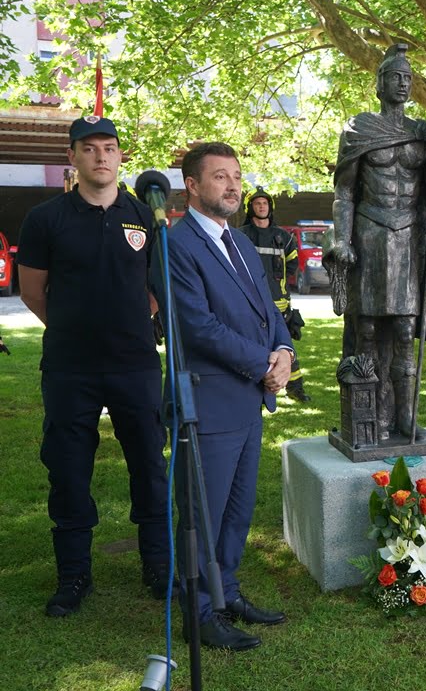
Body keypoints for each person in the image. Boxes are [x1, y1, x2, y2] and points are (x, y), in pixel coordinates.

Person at [17, 116, 172, 616]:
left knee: (150, 465)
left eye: (109, 148)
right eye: (89, 148)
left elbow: (157, 287)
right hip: (69, 368)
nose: (100, 156)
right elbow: (33, 290)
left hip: (135, 365)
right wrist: (72, 326)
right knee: (67, 469)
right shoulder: (45, 218)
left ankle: (158, 566)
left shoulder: (145, 217)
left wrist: (129, 319)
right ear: (73, 158)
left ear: (121, 156)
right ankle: (73, 575)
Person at [160, 142, 292, 651]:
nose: (234, 185)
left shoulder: (238, 241)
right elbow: (198, 327)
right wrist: (263, 364)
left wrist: (282, 349)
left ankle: (227, 591)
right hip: (206, 404)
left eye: (236, 175)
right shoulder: (176, 244)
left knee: (237, 509)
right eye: (220, 177)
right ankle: (198, 612)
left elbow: (268, 306)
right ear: (192, 186)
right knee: (202, 513)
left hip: (247, 402)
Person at [324, 43, 426, 440]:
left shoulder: (422, 132)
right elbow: (345, 193)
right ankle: (375, 417)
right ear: (379, 83)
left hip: (408, 240)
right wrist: (343, 239)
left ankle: (406, 416)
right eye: (395, 77)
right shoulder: (359, 129)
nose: (403, 84)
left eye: (408, 78)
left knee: (405, 331)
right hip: (369, 236)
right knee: (367, 330)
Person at [238, 188, 311, 402]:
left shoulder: (283, 237)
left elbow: (293, 264)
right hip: (249, 303)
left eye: (265, 203)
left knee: (286, 348)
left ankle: (295, 389)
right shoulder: (240, 235)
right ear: (250, 208)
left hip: (278, 303)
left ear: (270, 208)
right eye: (257, 203)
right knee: (251, 347)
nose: (262, 207)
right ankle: (254, 390)